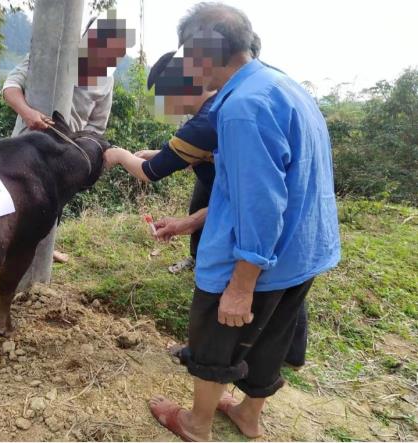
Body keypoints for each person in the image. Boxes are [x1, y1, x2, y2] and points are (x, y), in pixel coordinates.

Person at [142, 3, 340, 440]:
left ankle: (196, 424)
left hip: (258, 255)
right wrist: (192, 222)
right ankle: (249, 414)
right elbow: (267, 187)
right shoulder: (282, 85)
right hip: (302, 249)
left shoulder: (241, 109)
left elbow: (262, 203)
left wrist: (241, 283)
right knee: (272, 334)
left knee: (216, 336)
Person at [104, 34, 309, 371]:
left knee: (244, 286)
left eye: (165, 97)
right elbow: (200, 155)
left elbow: (149, 173)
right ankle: (289, 354)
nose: (166, 106)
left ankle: (213, 357)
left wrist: (119, 155)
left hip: (250, 217)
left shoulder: (204, 121)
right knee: (283, 285)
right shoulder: (224, 106)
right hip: (275, 212)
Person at [2, 13, 133, 262]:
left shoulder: (106, 79)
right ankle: (3, 248)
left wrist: (82, 152)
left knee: (53, 204)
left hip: (65, 153)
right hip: (25, 145)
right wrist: (29, 114)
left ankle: (44, 252)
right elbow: (10, 87)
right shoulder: (51, 57)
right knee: (14, 199)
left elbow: (97, 125)